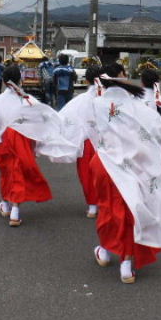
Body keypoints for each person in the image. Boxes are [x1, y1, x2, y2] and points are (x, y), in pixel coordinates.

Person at [89, 64, 161, 284]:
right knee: (130, 213)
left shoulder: (97, 103)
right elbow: (157, 131)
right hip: (135, 165)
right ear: (120, 77)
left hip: (105, 165)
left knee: (110, 210)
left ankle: (106, 250)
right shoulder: (140, 108)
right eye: (125, 75)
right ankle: (126, 264)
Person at [0, 65, 78, 226]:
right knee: (18, 173)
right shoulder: (28, 100)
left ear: (4, 81)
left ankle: (7, 205)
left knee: (6, 173)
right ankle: (14, 209)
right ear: (20, 79)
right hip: (23, 141)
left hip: (3, 142)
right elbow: (43, 118)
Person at [58, 64, 102, 218]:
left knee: (87, 174)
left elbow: (64, 118)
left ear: (87, 80)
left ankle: (92, 206)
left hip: (87, 143)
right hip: (106, 143)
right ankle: (105, 203)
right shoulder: (109, 98)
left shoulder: (81, 100)